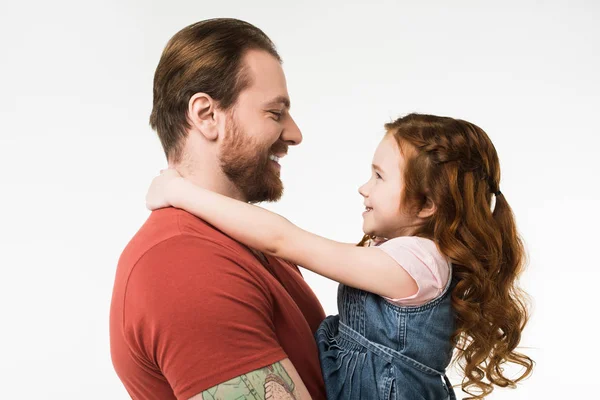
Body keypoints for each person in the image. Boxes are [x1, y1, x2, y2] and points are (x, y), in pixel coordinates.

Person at [146, 113, 535, 399]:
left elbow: (282, 239)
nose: (364, 188)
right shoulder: (403, 255)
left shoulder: (417, 263)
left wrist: (181, 194)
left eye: (380, 177)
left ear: (428, 204)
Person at [110, 18, 327, 400]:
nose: (294, 134)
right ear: (207, 115)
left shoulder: (245, 240)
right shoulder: (185, 264)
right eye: (275, 113)